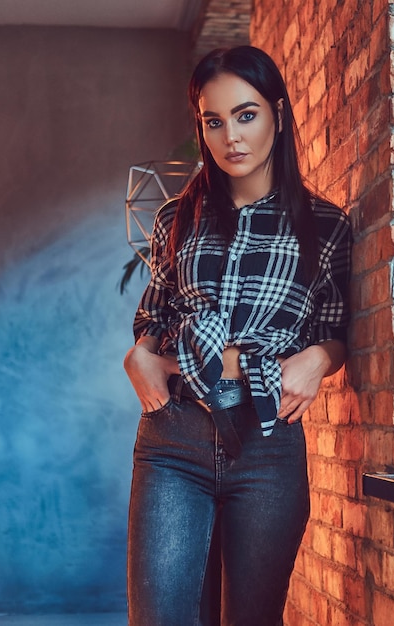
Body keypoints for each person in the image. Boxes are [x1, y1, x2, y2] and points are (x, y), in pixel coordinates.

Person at [124, 45, 352, 626]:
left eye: (246, 114)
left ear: (278, 111)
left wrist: (319, 359)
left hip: (267, 440)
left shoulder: (325, 226)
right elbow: (155, 316)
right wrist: (139, 355)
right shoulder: (176, 217)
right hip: (174, 436)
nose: (232, 137)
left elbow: (333, 327)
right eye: (214, 120)